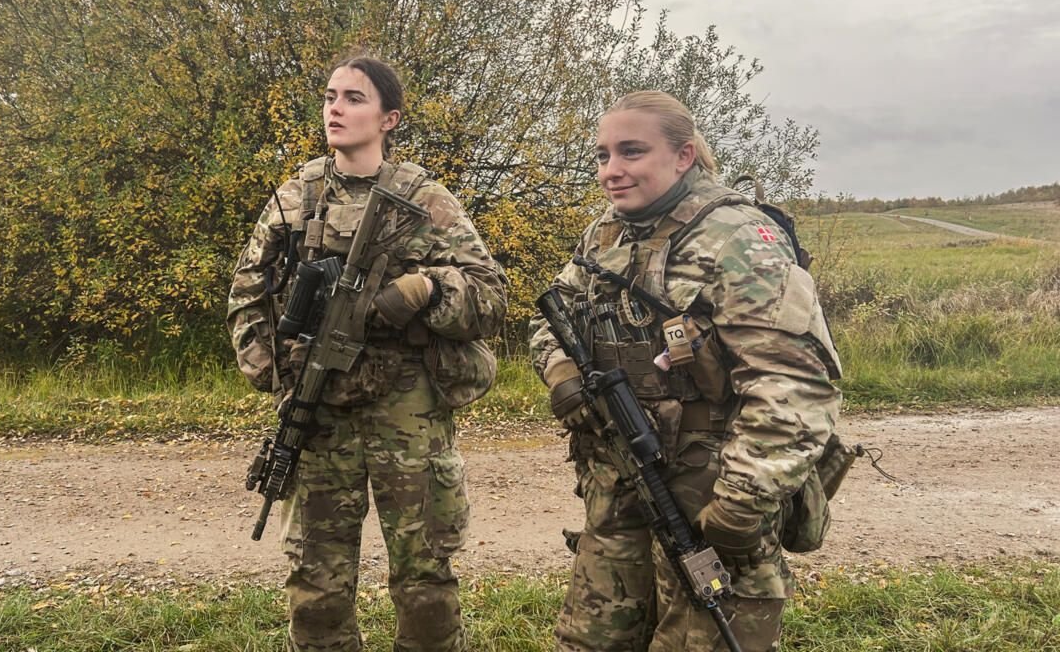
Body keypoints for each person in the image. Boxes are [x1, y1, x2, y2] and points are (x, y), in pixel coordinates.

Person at [528, 90, 842, 651]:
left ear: (684, 155)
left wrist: (740, 505)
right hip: (621, 489)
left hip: (710, 499)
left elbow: (794, 386)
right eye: (602, 155)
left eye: (631, 151)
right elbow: (551, 319)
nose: (611, 170)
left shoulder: (737, 238)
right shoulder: (607, 234)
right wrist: (561, 373)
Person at [227, 53, 507, 652]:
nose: (336, 108)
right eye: (330, 96)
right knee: (316, 583)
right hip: (318, 406)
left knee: (425, 578)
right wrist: (276, 373)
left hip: (408, 406)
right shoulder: (296, 196)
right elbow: (247, 295)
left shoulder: (426, 199)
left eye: (354, 98)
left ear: (389, 118)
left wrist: (424, 289)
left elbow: (490, 297)